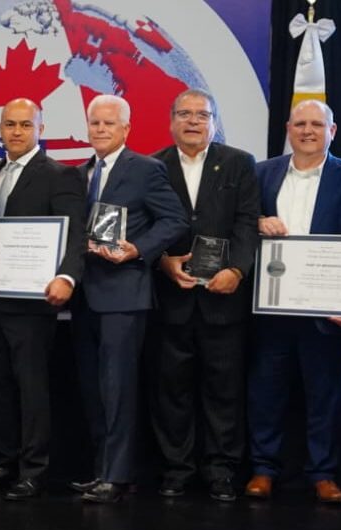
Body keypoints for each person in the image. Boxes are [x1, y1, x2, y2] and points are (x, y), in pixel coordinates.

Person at [245, 100, 341, 504]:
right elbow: (240, 223)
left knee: (326, 395)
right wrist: (257, 222)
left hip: (328, 309)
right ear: (287, 129)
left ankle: (323, 473)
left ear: (332, 131)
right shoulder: (261, 173)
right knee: (266, 392)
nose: (307, 131)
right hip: (273, 306)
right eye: (300, 124)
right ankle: (263, 469)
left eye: (317, 124)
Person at [0, 99, 85, 500]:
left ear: (40, 128)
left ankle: (34, 470)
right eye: (10, 124)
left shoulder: (60, 175)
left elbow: (76, 234)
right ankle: (4, 462)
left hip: (34, 303)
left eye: (25, 125)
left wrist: (67, 276)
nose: (16, 131)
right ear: (0, 128)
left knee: (31, 386)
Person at [70, 95, 188, 503]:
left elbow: (175, 219)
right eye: (95, 123)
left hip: (124, 294)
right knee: (93, 389)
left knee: (118, 388)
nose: (100, 129)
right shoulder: (80, 172)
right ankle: (102, 470)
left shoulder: (146, 169)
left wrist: (138, 249)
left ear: (126, 128)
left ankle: (118, 476)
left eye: (109, 123)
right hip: (83, 294)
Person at [148, 89, 262, 502]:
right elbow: (144, 224)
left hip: (223, 298)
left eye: (202, 114)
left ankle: (221, 470)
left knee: (223, 390)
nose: (193, 121)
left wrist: (238, 270)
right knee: (171, 390)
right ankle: (176, 469)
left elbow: (248, 223)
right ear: (171, 121)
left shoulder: (239, 163)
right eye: (185, 114)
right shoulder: (153, 165)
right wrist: (162, 261)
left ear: (214, 122)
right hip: (171, 298)